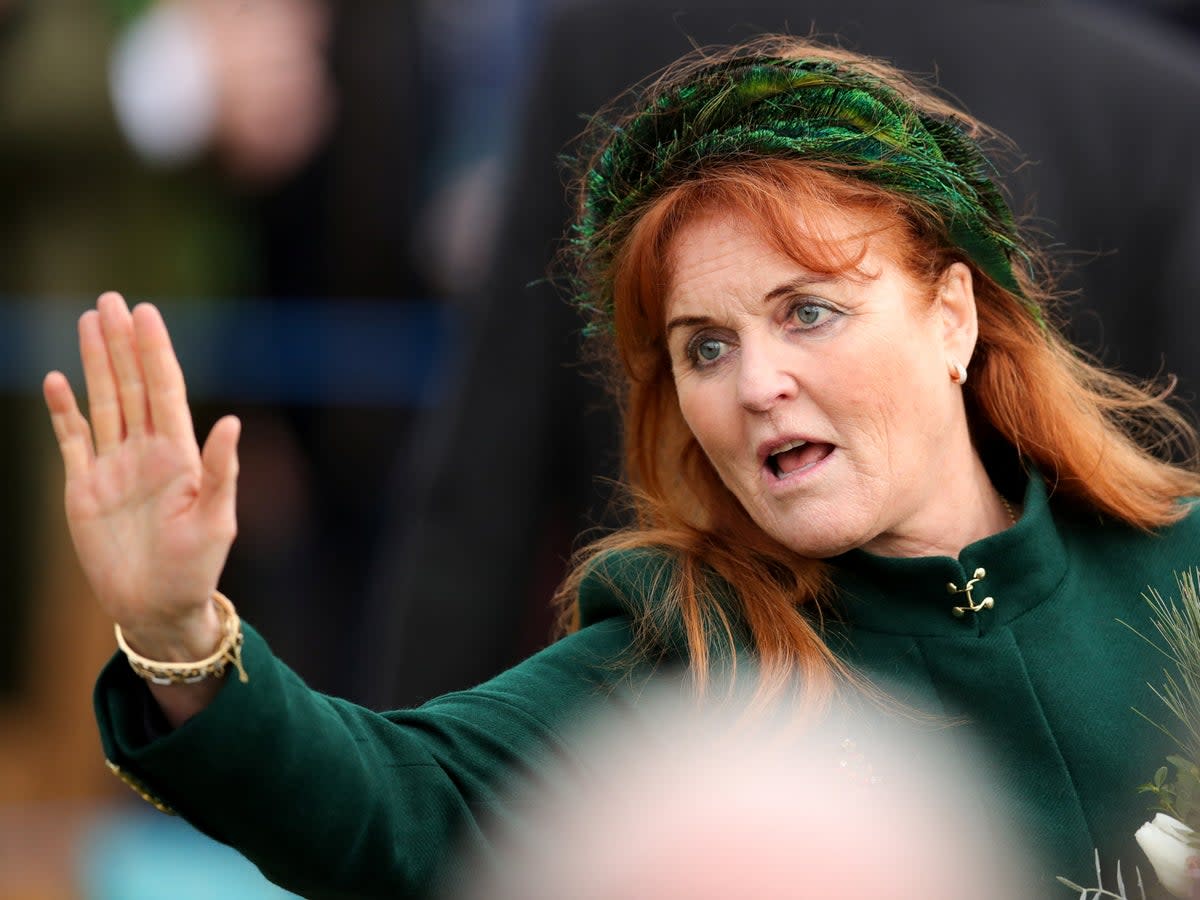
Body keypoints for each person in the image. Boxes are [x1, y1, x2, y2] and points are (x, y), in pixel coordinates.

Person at [42, 36, 1200, 897]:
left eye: (808, 313)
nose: (754, 385)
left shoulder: (1174, 566)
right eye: (705, 345)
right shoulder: (684, 653)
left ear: (953, 316)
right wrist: (179, 631)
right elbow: (388, 802)